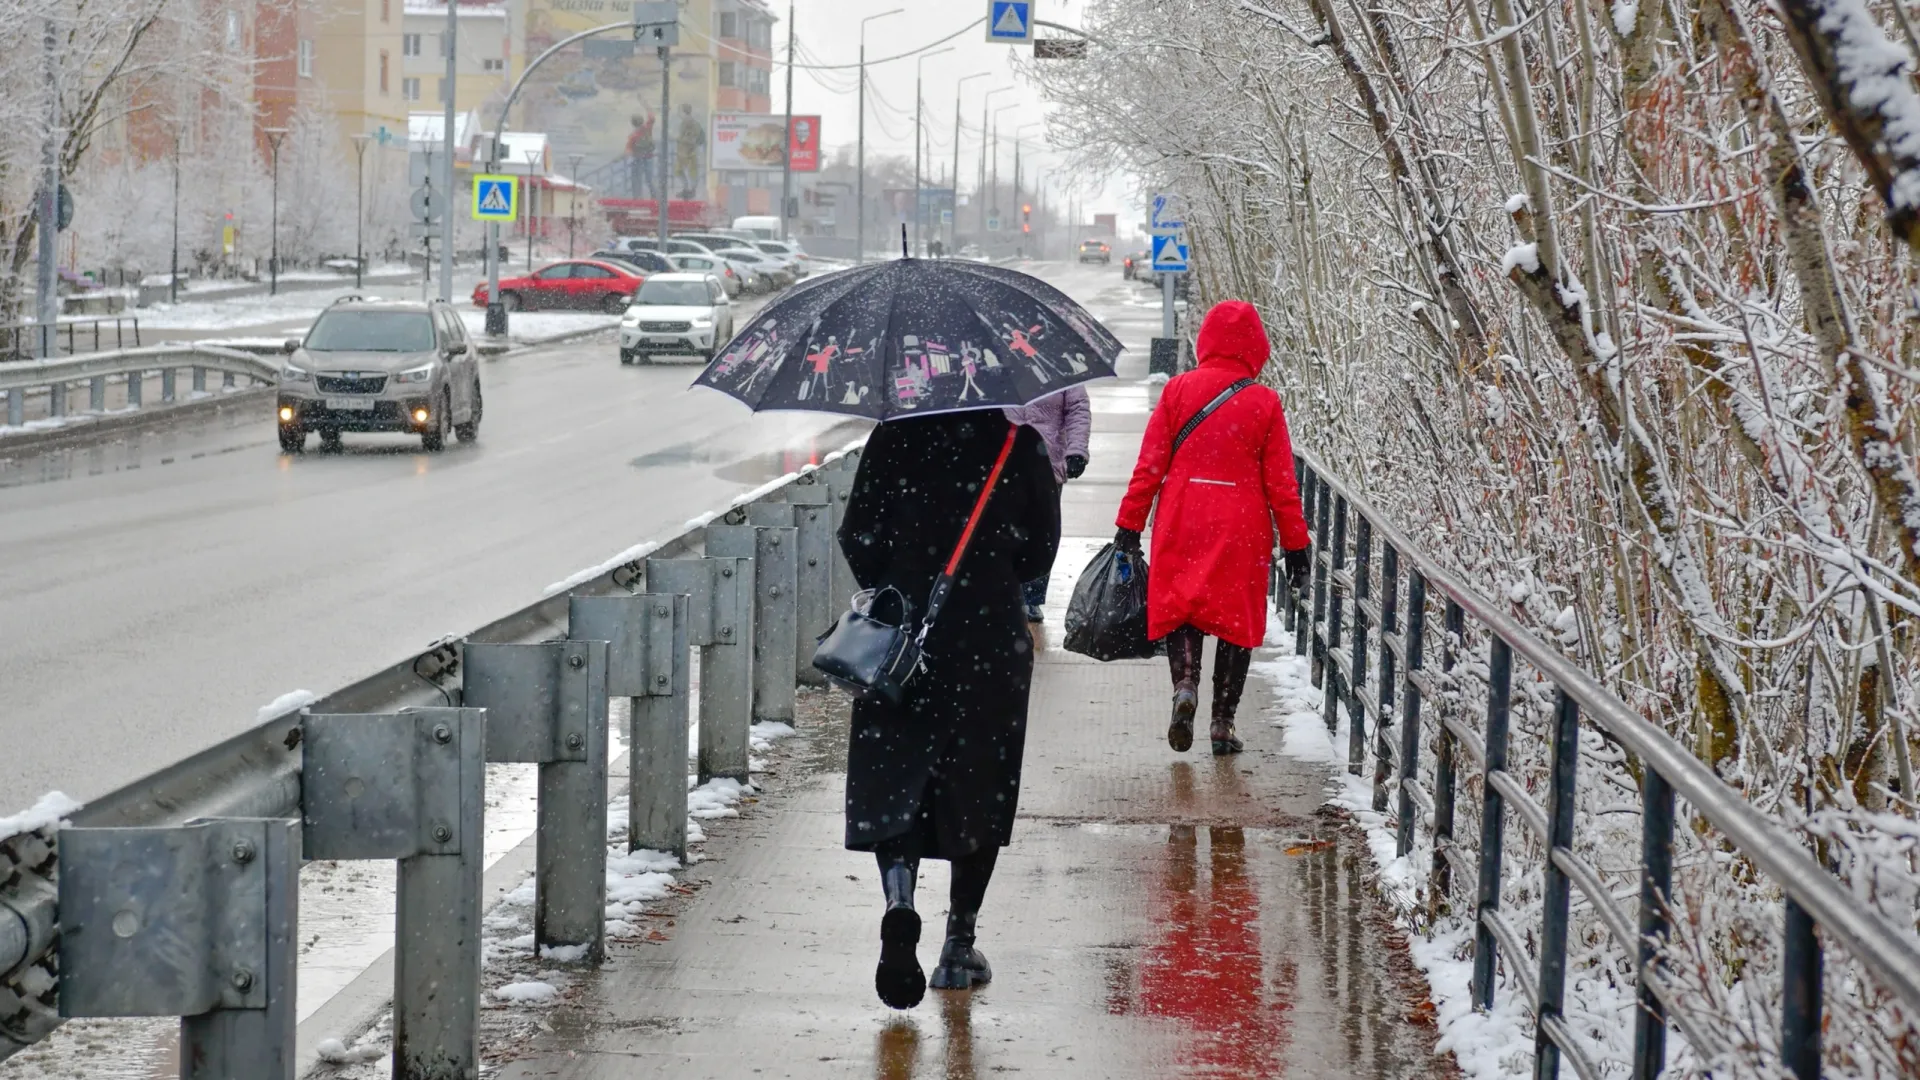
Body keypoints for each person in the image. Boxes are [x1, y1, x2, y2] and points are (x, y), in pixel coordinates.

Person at [839, 410, 1061, 1009]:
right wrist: (985, 577)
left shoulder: (893, 437)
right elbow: (1041, 551)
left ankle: (899, 899)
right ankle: (958, 945)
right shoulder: (1020, 445)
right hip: (989, 638)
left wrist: (903, 583)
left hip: (903, 640)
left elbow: (855, 533)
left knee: (897, 774)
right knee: (978, 784)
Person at [1115, 300, 1311, 756]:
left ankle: (1185, 685)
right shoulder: (1263, 402)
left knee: (1183, 609)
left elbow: (1150, 466)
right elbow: (1282, 484)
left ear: (1206, 340)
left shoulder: (1178, 390)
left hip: (1183, 513)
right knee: (1235, 622)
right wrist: (1297, 545)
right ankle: (1222, 723)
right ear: (1255, 348)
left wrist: (1129, 523)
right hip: (1241, 521)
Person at [1005, 385, 1091, 621]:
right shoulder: (994, 360)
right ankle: (1008, 593)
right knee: (1003, 532)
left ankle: (1031, 597)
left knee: (1042, 533)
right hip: (1003, 464)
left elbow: (1078, 408)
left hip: (1047, 465)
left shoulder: (1057, 364)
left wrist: (1076, 451)